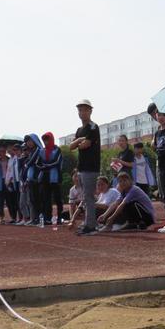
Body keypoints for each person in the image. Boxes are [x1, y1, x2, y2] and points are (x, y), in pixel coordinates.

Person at [70, 99, 101, 236]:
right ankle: (89, 223)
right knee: (85, 196)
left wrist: (78, 142)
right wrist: (78, 140)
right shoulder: (79, 130)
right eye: (80, 110)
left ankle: (91, 225)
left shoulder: (93, 127)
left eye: (84, 109)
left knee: (88, 196)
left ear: (90, 111)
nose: (82, 112)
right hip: (82, 167)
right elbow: (72, 146)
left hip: (91, 166)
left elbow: (85, 145)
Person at [37, 132, 64, 226]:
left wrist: (45, 166)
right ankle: (47, 218)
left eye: (47, 139)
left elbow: (57, 162)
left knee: (57, 198)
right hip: (44, 177)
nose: (46, 142)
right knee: (46, 199)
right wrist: (45, 166)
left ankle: (60, 217)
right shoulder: (41, 151)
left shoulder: (57, 150)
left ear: (51, 139)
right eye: (44, 140)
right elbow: (38, 163)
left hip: (55, 177)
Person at [23, 134, 44, 226]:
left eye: (30, 141)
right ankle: (35, 219)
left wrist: (27, 163)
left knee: (38, 199)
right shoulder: (31, 151)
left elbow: (30, 162)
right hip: (31, 179)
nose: (29, 143)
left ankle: (39, 219)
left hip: (37, 178)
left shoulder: (39, 150)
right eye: (27, 142)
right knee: (32, 200)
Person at [5, 144, 21, 224]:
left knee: (16, 200)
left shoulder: (16, 158)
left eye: (11, 150)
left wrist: (10, 180)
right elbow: (8, 171)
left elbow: (13, 172)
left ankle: (19, 217)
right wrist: (6, 181)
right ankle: (13, 217)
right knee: (10, 201)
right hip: (8, 182)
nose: (10, 151)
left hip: (13, 182)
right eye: (8, 150)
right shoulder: (10, 160)